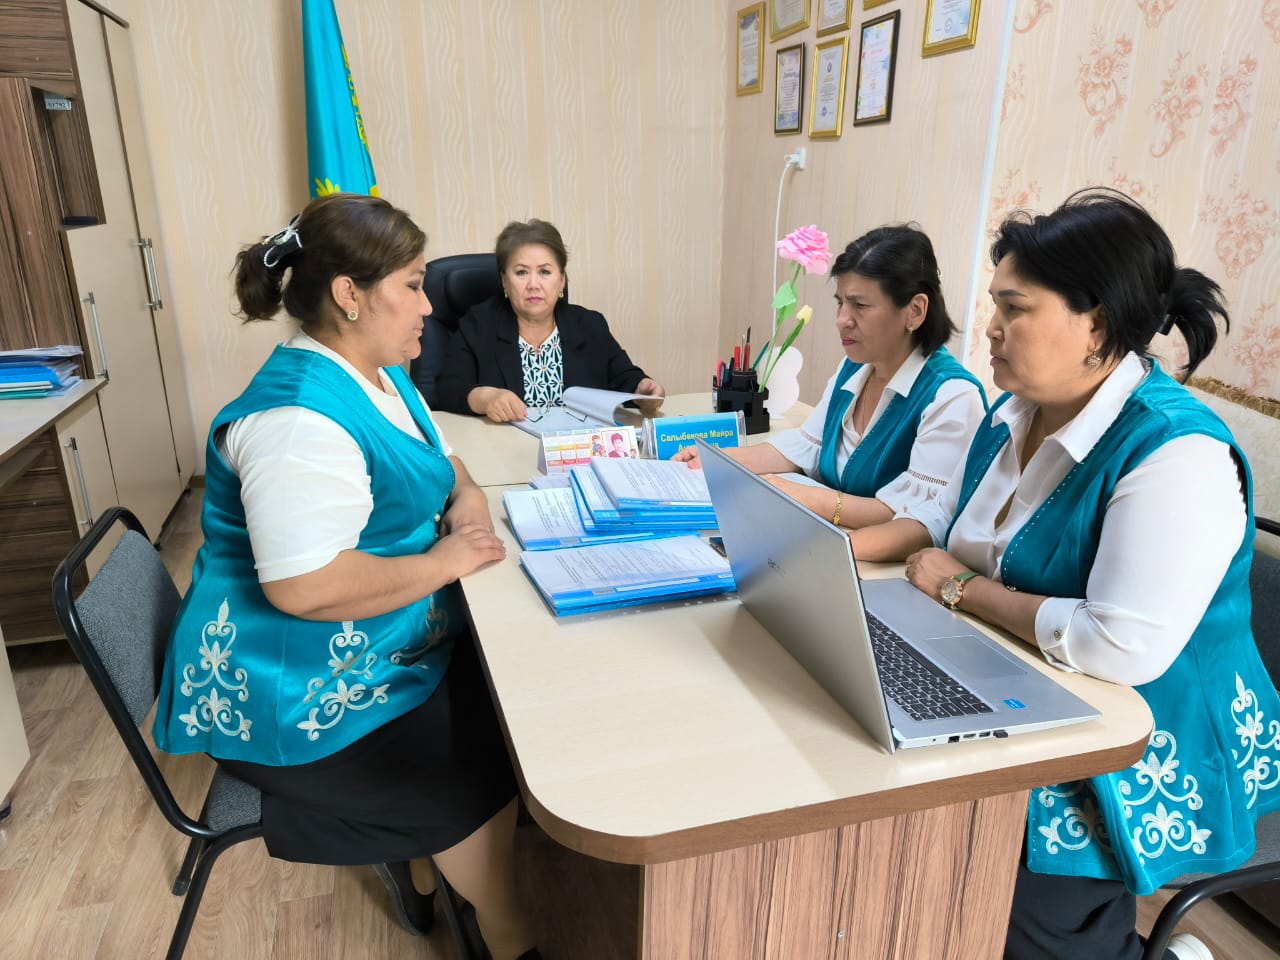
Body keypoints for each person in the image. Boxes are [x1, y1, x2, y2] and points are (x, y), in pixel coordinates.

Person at [151, 194, 539, 960]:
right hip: (287, 687)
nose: (429, 305)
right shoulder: (298, 422)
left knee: (507, 701)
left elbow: (444, 462)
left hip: (377, 642)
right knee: (478, 759)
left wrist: (465, 503)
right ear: (349, 295)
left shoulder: (379, 375)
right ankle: (506, 930)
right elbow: (306, 588)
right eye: (414, 285)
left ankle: (426, 871)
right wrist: (446, 560)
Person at [902, 188, 1280, 960]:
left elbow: (1117, 646)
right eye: (995, 304)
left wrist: (959, 591)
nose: (992, 327)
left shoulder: (1177, 453)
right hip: (1024, 685)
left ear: (1097, 325)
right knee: (905, 833)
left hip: (1147, 731)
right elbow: (962, 538)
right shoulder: (1012, 415)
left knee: (1008, 902)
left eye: (1015, 307)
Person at [676, 223, 987, 561]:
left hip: (881, 564)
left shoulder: (952, 396)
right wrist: (715, 460)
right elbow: (804, 447)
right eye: (840, 303)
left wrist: (803, 497)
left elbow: (917, 516)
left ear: (915, 310)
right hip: (831, 542)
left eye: (860, 305)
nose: (842, 319)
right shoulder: (854, 367)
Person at [435, 218, 664, 420]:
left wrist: (642, 389)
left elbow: (625, 377)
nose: (533, 284)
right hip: (505, 448)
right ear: (504, 281)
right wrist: (485, 398)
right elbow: (446, 389)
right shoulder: (478, 324)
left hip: (577, 449)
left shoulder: (589, 325)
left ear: (562, 280)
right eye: (521, 272)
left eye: (545, 272)